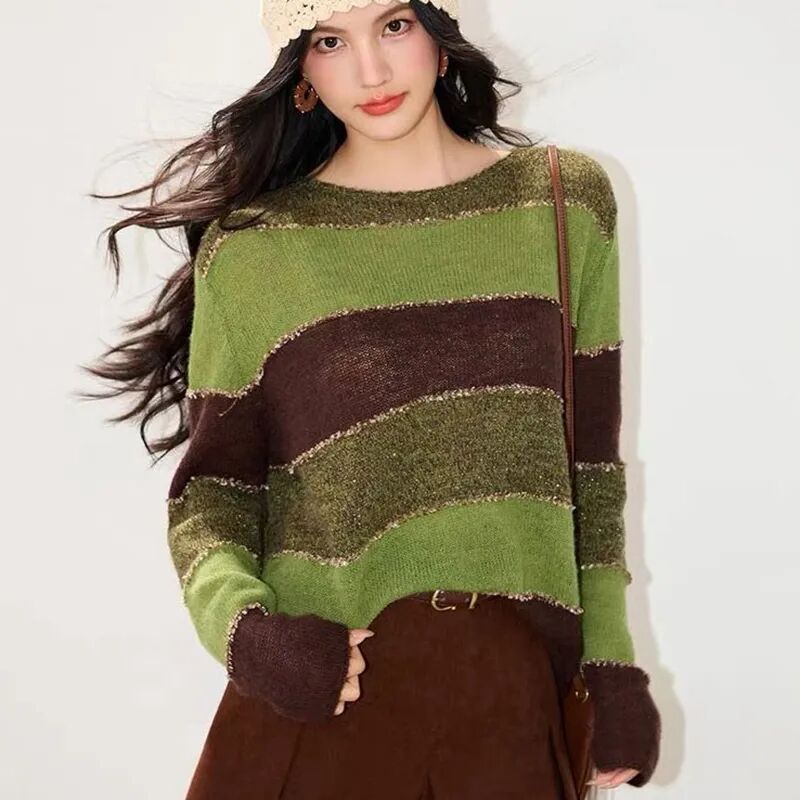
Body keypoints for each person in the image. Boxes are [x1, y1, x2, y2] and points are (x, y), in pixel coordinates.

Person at [83, 1, 661, 797]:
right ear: (301, 73)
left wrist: (613, 669)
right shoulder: (255, 249)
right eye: (331, 41)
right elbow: (210, 498)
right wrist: (251, 638)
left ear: (440, 33)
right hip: (328, 700)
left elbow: (590, 469)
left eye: (394, 26)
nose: (371, 71)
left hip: (507, 703)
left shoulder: (563, 202)